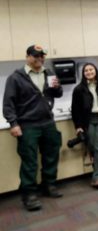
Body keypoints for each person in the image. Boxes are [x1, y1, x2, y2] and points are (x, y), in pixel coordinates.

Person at [3, 45, 63, 211]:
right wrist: (13, 123)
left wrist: (57, 87)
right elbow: (8, 104)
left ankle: (48, 185)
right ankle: (29, 194)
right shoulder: (16, 77)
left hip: (48, 122)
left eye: (42, 56)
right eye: (36, 56)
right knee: (30, 161)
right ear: (28, 57)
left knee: (51, 155)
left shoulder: (48, 73)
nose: (40, 59)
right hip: (28, 125)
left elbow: (58, 94)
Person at [71, 63, 98, 189]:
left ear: (95, 71)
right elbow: (75, 110)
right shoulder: (79, 89)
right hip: (87, 120)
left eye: (91, 69)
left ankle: (96, 178)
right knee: (92, 148)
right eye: (86, 70)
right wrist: (78, 126)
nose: (89, 72)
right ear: (83, 74)